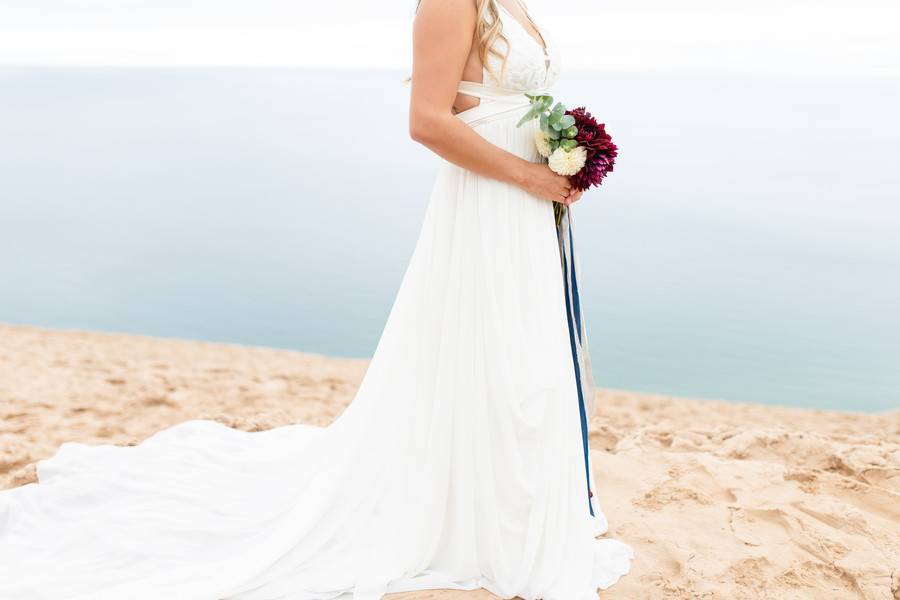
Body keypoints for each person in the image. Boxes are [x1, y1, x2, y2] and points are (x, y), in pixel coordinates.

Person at [0, 1, 634, 598]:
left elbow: (512, 98)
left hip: (524, 206)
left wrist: (561, 151)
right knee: (493, 348)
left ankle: (509, 504)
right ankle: (481, 518)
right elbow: (427, 120)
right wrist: (528, 173)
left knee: (521, 351)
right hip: (490, 200)